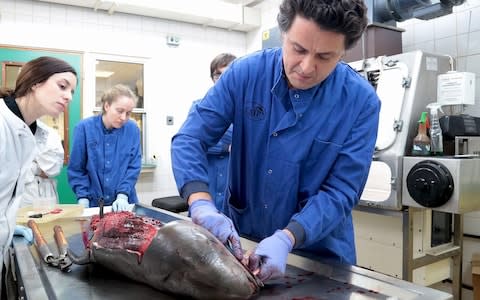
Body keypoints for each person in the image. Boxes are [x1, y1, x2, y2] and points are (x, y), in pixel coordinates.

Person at [171, 0, 380, 283]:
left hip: (321, 258)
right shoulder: (245, 74)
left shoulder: (361, 102)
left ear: (344, 52)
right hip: (244, 247)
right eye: (299, 49)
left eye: (325, 56)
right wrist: (200, 203)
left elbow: (341, 190)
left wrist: (287, 237)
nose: (307, 67)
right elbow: (190, 137)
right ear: (283, 34)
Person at [0, 56, 77, 298]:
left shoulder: (32, 131)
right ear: (35, 82)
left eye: (72, 91)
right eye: (62, 86)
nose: (69, 97)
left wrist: (8, 228)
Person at [68, 84, 141, 211]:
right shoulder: (84, 128)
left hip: (124, 202)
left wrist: (123, 194)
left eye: (128, 113)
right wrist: (83, 196)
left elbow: (133, 167)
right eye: (119, 111)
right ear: (107, 106)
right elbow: (77, 168)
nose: (123, 117)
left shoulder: (132, 129)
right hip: (93, 203)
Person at [189, 53, 236, 209]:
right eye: (218, 75)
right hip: (207, 182)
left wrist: (213, 140)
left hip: (233, 186)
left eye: (228, 74)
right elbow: (193, 143)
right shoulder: (199, 106)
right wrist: (226, 147)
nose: (222, 79)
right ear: (212, 78)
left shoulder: (247, 111)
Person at [21, 120, 64, 208]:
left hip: (47, 194)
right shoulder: (8, 128)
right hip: (23, 196)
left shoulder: (49, 132)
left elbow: (53, 168)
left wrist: (30, 161)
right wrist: (37, 165)